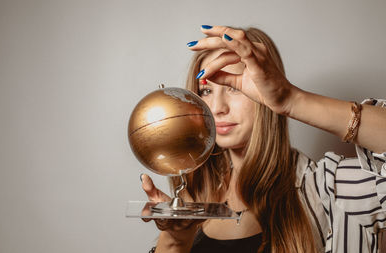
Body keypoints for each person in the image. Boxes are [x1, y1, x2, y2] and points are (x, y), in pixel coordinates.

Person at [140, 25, 386, 253]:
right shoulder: (193, 192)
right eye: (206, 90)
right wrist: (175, 239)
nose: (217, 108)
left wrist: (291, 99)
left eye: (234, 87)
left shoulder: (328, 188)